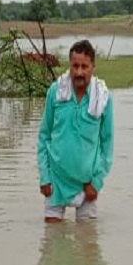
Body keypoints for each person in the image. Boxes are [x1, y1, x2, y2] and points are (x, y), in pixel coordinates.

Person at [36, 39, 114, 222]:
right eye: (75, 66)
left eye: (84, 66)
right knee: (52, 243)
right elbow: (43, 136)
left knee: (88, 244)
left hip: (87, 184)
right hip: (55, 180)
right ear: (69, 66)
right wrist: (44, 177)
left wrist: (96, 182)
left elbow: (107, 145)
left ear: (93, 67)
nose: (79, 72)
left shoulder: (102, 98)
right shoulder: (56, 92)